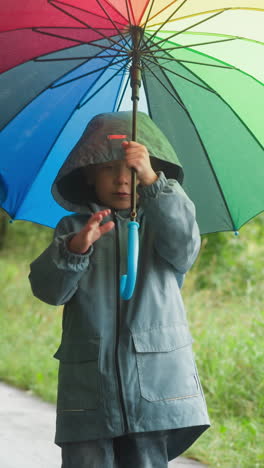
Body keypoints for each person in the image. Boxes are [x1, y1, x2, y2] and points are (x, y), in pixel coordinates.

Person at [29, 111, 210, 468]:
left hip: (155, 384)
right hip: (90, 387)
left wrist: (153, 182)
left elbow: (184, 248)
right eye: (107, 169)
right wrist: (75, 249)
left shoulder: (162, 218)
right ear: (87, 176)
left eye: (130, 170)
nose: (120, 180)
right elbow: (50, 291)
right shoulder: (74, 227)